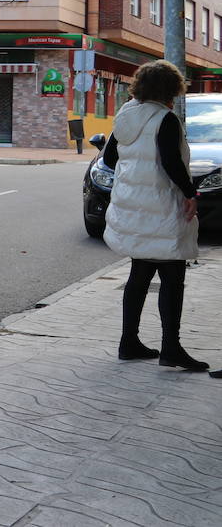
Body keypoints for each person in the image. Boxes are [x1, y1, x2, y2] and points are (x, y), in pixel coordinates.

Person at [102, 59, 210, 372]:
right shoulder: (165, 118)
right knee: (173, 276)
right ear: (171, 88)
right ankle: (171, 348)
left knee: (140, 272)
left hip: (134, 206)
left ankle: (129, 342)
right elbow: (170, 162)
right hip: (162, 206)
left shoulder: (126, 115)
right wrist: (191, 193)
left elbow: (110, 157)